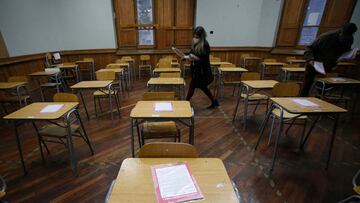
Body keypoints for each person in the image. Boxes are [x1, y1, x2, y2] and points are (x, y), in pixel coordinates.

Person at [300, 22, 357, 96]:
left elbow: (345, 51)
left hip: (328, 65)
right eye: (344, 35)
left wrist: (346, 56)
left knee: (324, 86)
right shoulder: (326, 37)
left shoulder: (349, 39)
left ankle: (319, 100)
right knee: (306, 85)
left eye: (349, 35)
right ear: (340, 31)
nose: (345, 38)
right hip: (314, 64)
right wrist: (310, 59)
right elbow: (309, 48)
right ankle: (302, 98)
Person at [183, 26, 219, 109]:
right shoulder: (195, 43)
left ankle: (186, 102)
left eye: (197, 37)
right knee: (203, 87)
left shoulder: (205, 45)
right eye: (194, 36)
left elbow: (204, 59)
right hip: (196, 70)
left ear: (201, 37)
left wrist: (193, 57)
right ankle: (214, 102)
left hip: (202, 71)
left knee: (193, 85)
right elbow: (191, 52)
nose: (195, 38)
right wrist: (186, 57)